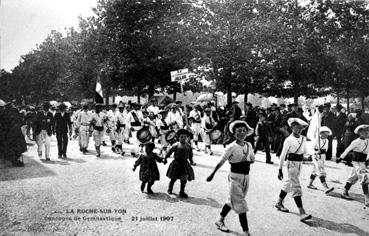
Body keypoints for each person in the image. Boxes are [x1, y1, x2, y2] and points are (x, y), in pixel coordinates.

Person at [207, 120, 255, 236]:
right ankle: (246, 231)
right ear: (234, 133)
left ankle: (219, 220)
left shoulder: (249, 145)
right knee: (241, 203)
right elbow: (221, 161)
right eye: (239, 131)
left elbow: (252, 159)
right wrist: (212, 174)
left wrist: (245, 159)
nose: (241, 133)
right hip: (234, 177)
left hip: (246, 177)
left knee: (232, 200)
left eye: (244, 131)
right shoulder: (231, 147)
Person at [275, 117, 312, 222]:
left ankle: (279, 202)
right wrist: (279, 169)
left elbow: (305, 152)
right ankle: (302, 212)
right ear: (291, 127)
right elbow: (283, 155)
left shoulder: (303, 139)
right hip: (291, 163)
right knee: (296, 186)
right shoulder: (288, 140)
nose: (299, 130)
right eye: (297, 127)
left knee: (288, 183)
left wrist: (312, 156)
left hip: (300, 163)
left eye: (301, 128)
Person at [338, 124, 369, 206]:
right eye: (364, 131)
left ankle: (345, 191)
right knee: (364, 177)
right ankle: (367, 199)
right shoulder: (356, 141)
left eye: (367, 131)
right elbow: (348, 149)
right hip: (356, 162)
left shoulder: (368, 141)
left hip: (362, 162)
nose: (366, 133)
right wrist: (341, 158)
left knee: (353, 177)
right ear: (359, 133)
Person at [164, 129, 196, 198]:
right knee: (173, 178)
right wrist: (165, 158)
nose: (183, 138)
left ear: (187, 138)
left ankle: (182, 192)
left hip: (184, 164)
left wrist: (192, 162)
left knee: (184, 179)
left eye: (185, 137)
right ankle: (170, 188)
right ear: (179, 137)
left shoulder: (189, 146)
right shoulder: (176, 145)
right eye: (182, 137)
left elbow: (190, 156)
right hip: (176, 163)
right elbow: (169, 152)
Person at [307, 126, 335, 194]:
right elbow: (310, 149)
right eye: (325, 134)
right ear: (321, 133)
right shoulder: (317, 139)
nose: (326, 136)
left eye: (327, 135)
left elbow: (326, 149)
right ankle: (325, 187)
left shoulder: (327, 140)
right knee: (320, 170)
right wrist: (316, 152)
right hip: (316, 156)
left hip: (322, 156)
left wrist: (322, 154)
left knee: (315, 170)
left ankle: (310, 184)